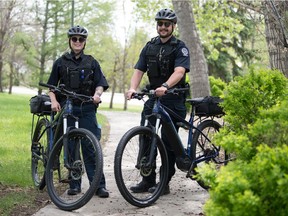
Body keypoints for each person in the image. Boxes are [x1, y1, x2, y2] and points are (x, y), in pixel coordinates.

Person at [126, 8, 190, 195]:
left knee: (168, 142)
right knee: (146, 135)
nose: (163, 27)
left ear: (173, 26)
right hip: (154, 98)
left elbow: (179, 71)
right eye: (160, 24)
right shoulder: (149, 46)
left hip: (173, 98)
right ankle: (147, 179)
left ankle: (164, 182)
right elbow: (139, 71)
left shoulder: (180, 47)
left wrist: (166, 86)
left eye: (167, 24)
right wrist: (132, 88)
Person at [47, 25, 109, 198]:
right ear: (70, 41)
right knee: (71, 146)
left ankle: (98, 186)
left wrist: (97, 95)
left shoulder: (92, 62)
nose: (77, 42)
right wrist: (53, 101)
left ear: (85, 42)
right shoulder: (60, 62)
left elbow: (100, 83)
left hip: (87, 108)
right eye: (74, 39)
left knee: (90, 147)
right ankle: (74, 184)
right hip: (68, 108)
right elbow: (52, 86)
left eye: (81, 39)